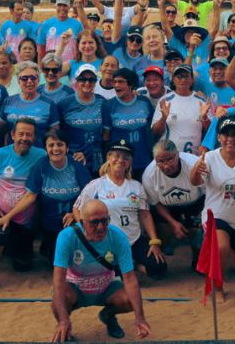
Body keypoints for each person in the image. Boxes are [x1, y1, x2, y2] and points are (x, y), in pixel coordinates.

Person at [50, 198, 151, 341]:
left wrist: (140, 317)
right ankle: (65, 329)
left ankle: (108, 315)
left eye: (105, 221)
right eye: (94, 222)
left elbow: (130, 278)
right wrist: (63, 320)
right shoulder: (67, 236)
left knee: (130, 300)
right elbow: (58, 279)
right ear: (82, 222)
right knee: (57, 301)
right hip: (75, 288)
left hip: (107, 287)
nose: (100, 227)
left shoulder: (118, 237)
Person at [75, 139, 167, 279]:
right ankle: (130, 268)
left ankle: (133, 265)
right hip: (107, 241)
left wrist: (154, 242)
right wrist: (86, 231)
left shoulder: (136, 186)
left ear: (130, 162)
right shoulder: (96, 185)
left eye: (126, 157)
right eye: (116, 156)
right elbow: (77, 208)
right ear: (108, 158)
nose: (120, 160)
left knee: (159, 268)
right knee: (108, 273)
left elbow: (145, 215)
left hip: (133, 240)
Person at [191, 117, 235, 294]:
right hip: (217, 214)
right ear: (219, 137)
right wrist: (196, 169)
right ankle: (217, 287)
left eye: (234, 134)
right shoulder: (210, 157)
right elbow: (195, 181)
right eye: (225, 134)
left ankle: (227, 264)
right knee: (221, 247)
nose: (230, 138)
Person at [0, 118, 47, 292]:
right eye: (21, 134)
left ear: (34, 138)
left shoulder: (41, 156)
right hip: (1, 213)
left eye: (29, 135)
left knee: (22, 265)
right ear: (12, 135)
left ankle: (13, 248)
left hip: (26, 219)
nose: (24, 138)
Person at [37, 130, 92, 264]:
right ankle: (46, 244)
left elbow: (90, 196)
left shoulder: (77, 166)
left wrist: (75, 214)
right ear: (45, 148)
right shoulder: (40, 166)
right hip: (49, 223)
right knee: (55, 262)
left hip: (72, 221)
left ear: (67, 148)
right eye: (51, 145)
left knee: (75, 261)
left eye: (60, 144)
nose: (55, 148)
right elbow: (30, 196)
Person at [59, 63, 109, 174]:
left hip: (96, 157)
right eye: (83, 79)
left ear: (96, 81)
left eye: (91, 80)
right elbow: (59, 134)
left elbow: (106, 134)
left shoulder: (103, 102)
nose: (87, 83)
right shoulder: (65, 103)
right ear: (77, 81)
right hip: (74, 156)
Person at [151, 65, 211, 155]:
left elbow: (210, 131)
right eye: (179, 76)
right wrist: (163, 118)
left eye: (186, 76)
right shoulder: (165, 101)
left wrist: (204, 117)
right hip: (170, 157)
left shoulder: (201, 101)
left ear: (191, 80)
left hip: (194, 158)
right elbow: (155, 133)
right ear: (173, 80)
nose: (183, 79)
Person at [0, 61, 57, 145]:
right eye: (24, 78)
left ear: (38, 80)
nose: (29, 81)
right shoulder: (8, 101)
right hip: (13, 153)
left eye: (33, 77)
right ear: (18, 81)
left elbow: (54, 134)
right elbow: (1, 129)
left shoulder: (49, 104)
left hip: (38, 154)